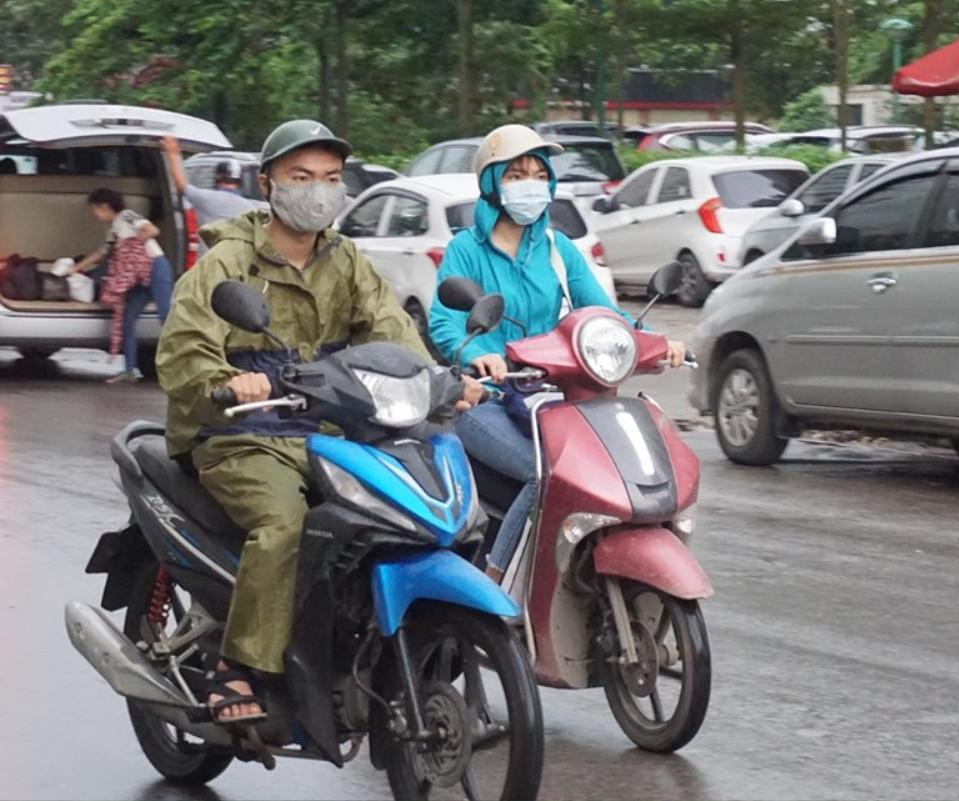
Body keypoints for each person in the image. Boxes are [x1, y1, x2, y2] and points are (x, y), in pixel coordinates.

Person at [155, 119, 486, 724]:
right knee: (284, 524)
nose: (318, 191)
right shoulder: (228, 261)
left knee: (400, 508)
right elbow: (185, 347)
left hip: (327, 430)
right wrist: (226, 382)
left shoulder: (347, 260)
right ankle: (240, 666)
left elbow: (391, 330)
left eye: (331, 179)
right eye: (301, 177)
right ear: (268, 184)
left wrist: (439, 381)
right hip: (242, 432)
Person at [429, 124, 686, 583]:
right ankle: (494, 581)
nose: (530, 184)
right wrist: (476, 356)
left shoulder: (557, 249)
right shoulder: (465, 250)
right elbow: (445, 320)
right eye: (515, 175)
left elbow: (602, 315)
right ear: (491, 183)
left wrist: (653, 342)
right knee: (544, 472)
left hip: (554, 396)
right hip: (487, 395)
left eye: (538, 174)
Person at [71, 188, 174, 383]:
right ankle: (129, 369)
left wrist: (130, 246)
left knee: (166, 317)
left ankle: (180, 367)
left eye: (95, 209)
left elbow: (152, 230)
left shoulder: (126, 216)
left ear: (105, 206)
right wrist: (76, 268)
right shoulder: (113, 229)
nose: (94, 214)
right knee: (126, 318)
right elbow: (102, 252)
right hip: (137, 276)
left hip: (155, 268)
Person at [160, 136, 256, 255]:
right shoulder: (250, 208)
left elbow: (181, 185)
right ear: (240, 181)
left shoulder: (206, 198)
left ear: (217, 177)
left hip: (209, 267)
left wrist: (173, 153)